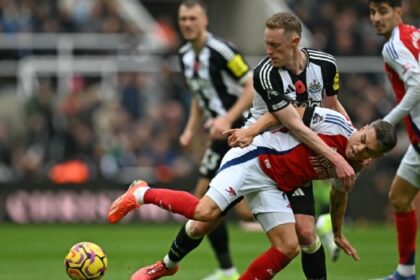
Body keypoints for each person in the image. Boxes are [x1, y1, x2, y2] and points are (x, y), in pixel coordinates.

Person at [108, 106, 397, 280]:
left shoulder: (356, 164)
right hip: (255, 157)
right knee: (204, 214)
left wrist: (337, 232)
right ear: (364, 127)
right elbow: (285, 113)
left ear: (376, 156)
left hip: (274, 184)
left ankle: (167, 266)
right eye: (362, 139)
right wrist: (250, 131)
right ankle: (142, 192)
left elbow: (338, 194)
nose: (359, 148)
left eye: (368, 150)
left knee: (288, 247)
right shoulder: (333, 123)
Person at [225, 11, 351, 279]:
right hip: (269, 153)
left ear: (295, 42)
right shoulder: (266, 73)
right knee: (209, 214)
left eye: (275, 45)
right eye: (266, 44)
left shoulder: (325, 65)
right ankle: (147, 201)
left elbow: (333, 107)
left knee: (305, 233)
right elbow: (288, 121)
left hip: (300, 156)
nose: (268, 51)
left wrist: (350, 135)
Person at [137, 1, 254, 279]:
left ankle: (224, 268)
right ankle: (226, 269)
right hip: (218, 136)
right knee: (205, 203)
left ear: (204, 21)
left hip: (242, 131)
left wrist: (227, 119)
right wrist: (190, 129)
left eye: (192, 18)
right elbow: (198, 96)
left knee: (214, 205)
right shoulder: (185, 55)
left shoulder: (222, 51)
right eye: (183, 18)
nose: (187, 23)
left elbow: (251, 87)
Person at [368, 0, 420, 279]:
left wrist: (386, 122)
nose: (376, 18)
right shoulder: (414, 34)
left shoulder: (393, 46)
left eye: (383, 11)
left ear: (399, 11)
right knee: (399, 197)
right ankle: (405, 272)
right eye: (372, 12)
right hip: (417, 142)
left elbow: (417, 86)